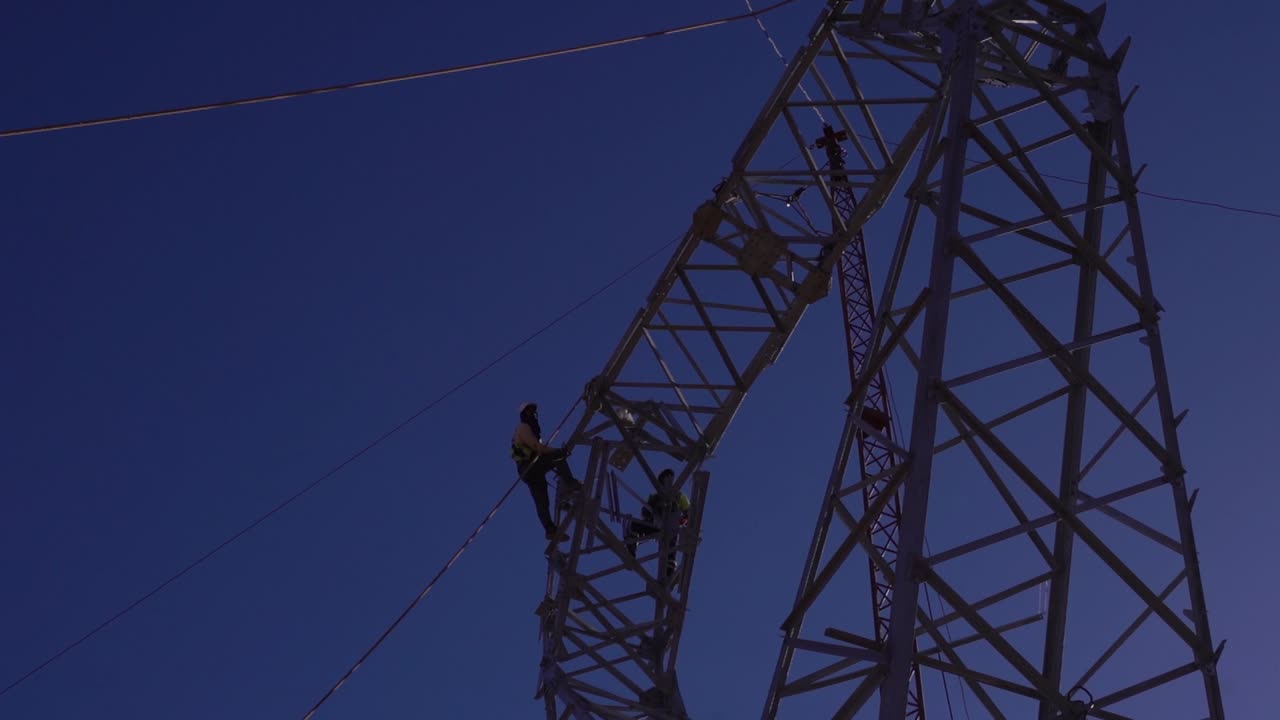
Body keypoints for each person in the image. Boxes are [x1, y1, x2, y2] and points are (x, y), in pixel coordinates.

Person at [511, 402, 580, 541]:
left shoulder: (531, 429)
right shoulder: (523, 427)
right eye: (531, 411)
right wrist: (559, 452)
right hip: (529, 466)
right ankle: (569, 483)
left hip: (529, 470)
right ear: (525, 413)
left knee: (542, 501)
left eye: (534, 412)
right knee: (558, 457)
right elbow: (537, 447)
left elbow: (538, 449)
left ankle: (550, 530)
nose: (534, 414)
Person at [625, 469, 691, 575]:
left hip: (672, 525)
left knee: (671, 542)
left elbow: (688, 512)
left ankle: (670, 568)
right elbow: (645, 513)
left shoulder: (679, 496)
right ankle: (631, 546)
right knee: (635, 525)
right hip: (657, 524)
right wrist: (655, 508)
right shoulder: (654, 497)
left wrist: (684, 519)